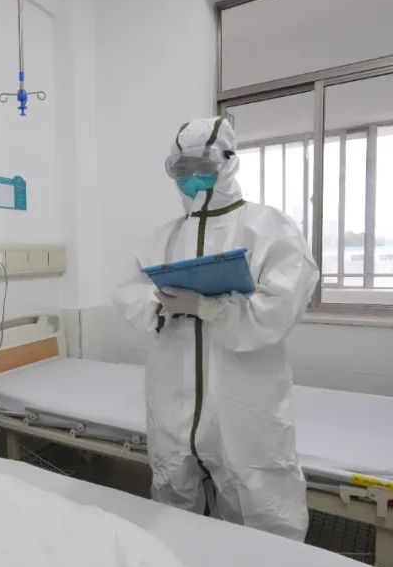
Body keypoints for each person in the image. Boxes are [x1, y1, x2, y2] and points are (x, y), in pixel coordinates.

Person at [113, 116, 319, 541]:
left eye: (201, 165)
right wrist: (158, 303)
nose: (192, 177)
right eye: (181, 168)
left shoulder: (268, 228)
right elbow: (128, 292)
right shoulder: (162, 237)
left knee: (258, 501)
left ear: (228, 162)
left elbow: (280, 307)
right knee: (172, 493)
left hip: (243, 400)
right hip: (172, 397)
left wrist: (210, 307)